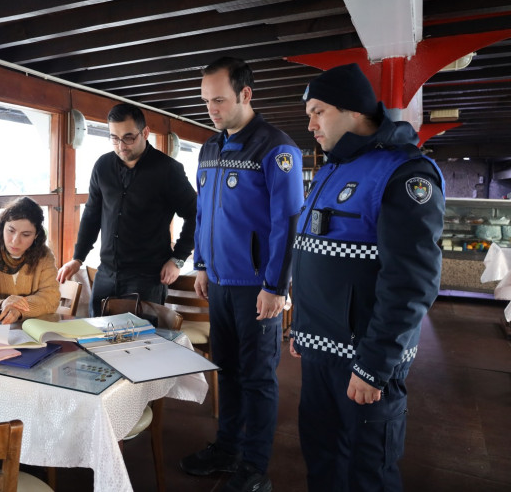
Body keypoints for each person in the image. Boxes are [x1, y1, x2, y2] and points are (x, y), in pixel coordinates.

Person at [289, 63, 444, 491]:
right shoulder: (331, 169)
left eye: (318, 112)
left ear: (354, 110)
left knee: (367, 470)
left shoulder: (404, 173)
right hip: (320, 352)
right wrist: (303, 328)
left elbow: (411, 283)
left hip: (364, 360)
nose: (311, 124)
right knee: (322, 459)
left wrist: (374, 365)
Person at [180, 57, 304, 492]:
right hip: (218, 282)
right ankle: (227, 449)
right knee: (227, 370)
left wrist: (276, 287)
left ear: (245, 94)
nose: (210, 109)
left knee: (258, 378)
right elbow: (202, 213)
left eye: (219, 100)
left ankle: (254, 468)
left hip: (257, 287)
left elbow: (288, 222)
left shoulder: (276, 148)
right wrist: (200, 264)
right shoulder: (209, 148)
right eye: (205, 101)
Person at [56, 103, 197, 316]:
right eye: (114, 138)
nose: (121, 145)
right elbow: (92, 215)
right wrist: (78, 257)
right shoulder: (102, 166)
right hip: (106, 275)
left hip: (147, 278)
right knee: (96, 335)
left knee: (142, 338)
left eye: (128, 137)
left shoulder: (168, 170)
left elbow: (196, 214)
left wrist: (178, 259)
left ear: (145, 133)